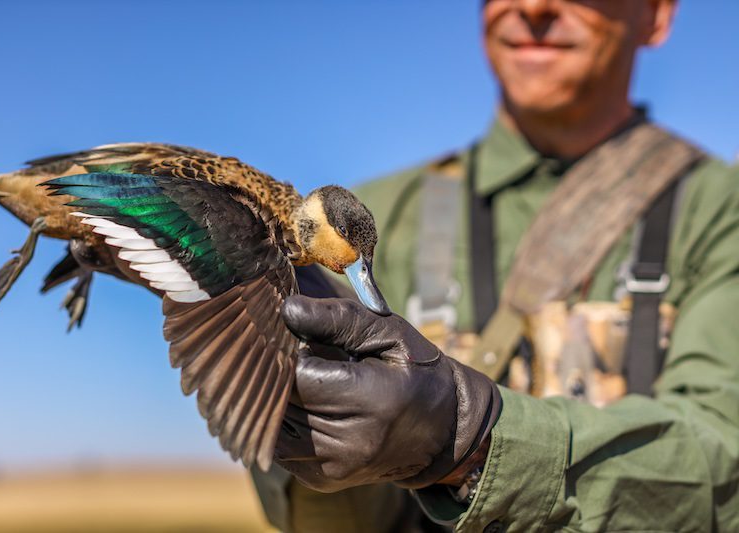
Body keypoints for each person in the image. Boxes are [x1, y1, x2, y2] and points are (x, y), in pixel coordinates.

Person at [253, 1, 739, 531]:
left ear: (656, 17)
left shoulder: (720, 211)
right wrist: (301, 426)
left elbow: (725, 455)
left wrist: (467, 438)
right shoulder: (366, 224)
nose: (533, 7)